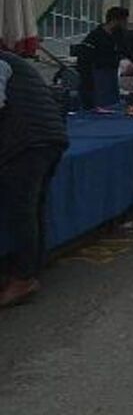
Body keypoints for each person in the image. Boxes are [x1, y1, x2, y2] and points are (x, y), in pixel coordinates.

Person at [0, 50, 69, 307]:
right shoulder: (10, 61)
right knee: (33, 208)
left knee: (21, 211)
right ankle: (29, 270)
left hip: (26, 143)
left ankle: (23, 278)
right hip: (48, 139)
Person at [76, 6, 133, 109]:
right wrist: (86, 80)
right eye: (124, 21)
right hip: (97, 73)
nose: (125, 24)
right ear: (115, 21)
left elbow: (130, 52)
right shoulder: (95, 36)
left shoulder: (119, 36)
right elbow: (84, 59)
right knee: (103, 102)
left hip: (111, 72)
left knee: (112, 102)